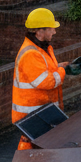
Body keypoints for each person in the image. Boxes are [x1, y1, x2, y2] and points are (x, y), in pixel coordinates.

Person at [12, 8, 68, 150]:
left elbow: (44, 71)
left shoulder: (41, 49)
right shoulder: (30, 53)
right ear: (39, 32)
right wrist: (63, 71)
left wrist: (60, 66)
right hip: (32, 114)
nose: (54, 32)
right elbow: (46, 82)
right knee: (35, 147)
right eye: (51, 29)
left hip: (40, 112)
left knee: (40, 147)